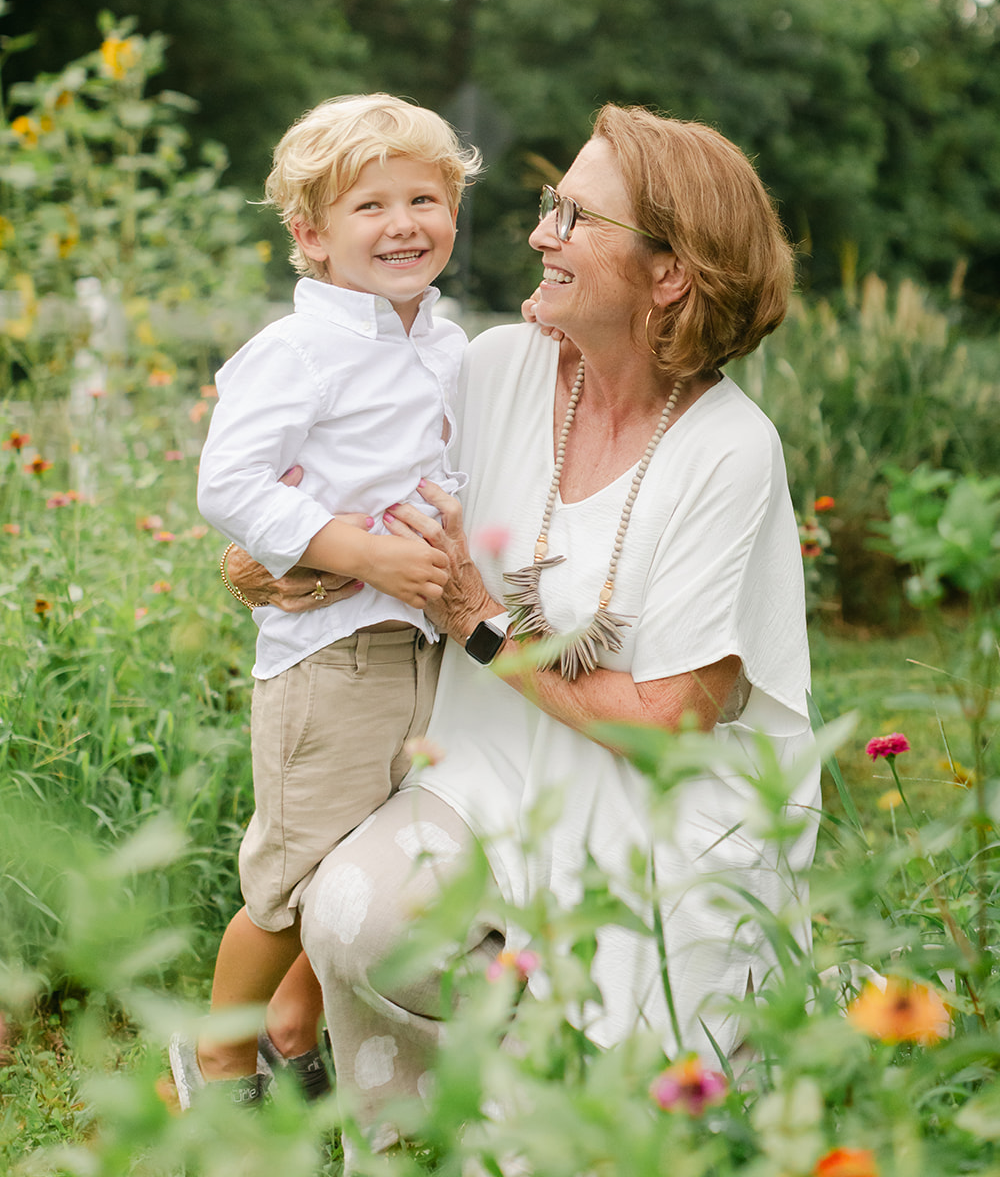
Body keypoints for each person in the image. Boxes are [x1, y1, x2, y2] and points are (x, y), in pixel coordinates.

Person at [228, 103, 819, 1150]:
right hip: (485, 772)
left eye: (574, 215)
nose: (539, 232)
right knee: (354, 912)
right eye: (550, 205)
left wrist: (479, 621)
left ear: (667, 273)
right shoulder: (491, 367)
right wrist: (263, 552)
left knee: (627, 1117)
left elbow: (665, 725)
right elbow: (330, 461)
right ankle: (404, 1128)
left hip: (656, 815)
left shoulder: (730, 450)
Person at [170, 94, 481, 1107]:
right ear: (310, 234)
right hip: (330, 654)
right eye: (370, 205)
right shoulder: (296, 351)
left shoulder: (449, 345)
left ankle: (295, 1023)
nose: (403, 223)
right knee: (292, 866)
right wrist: (359, 551)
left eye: (424, 198)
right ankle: (217, 1055)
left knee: (370, 851)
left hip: (422, 653)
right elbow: (229, 483)